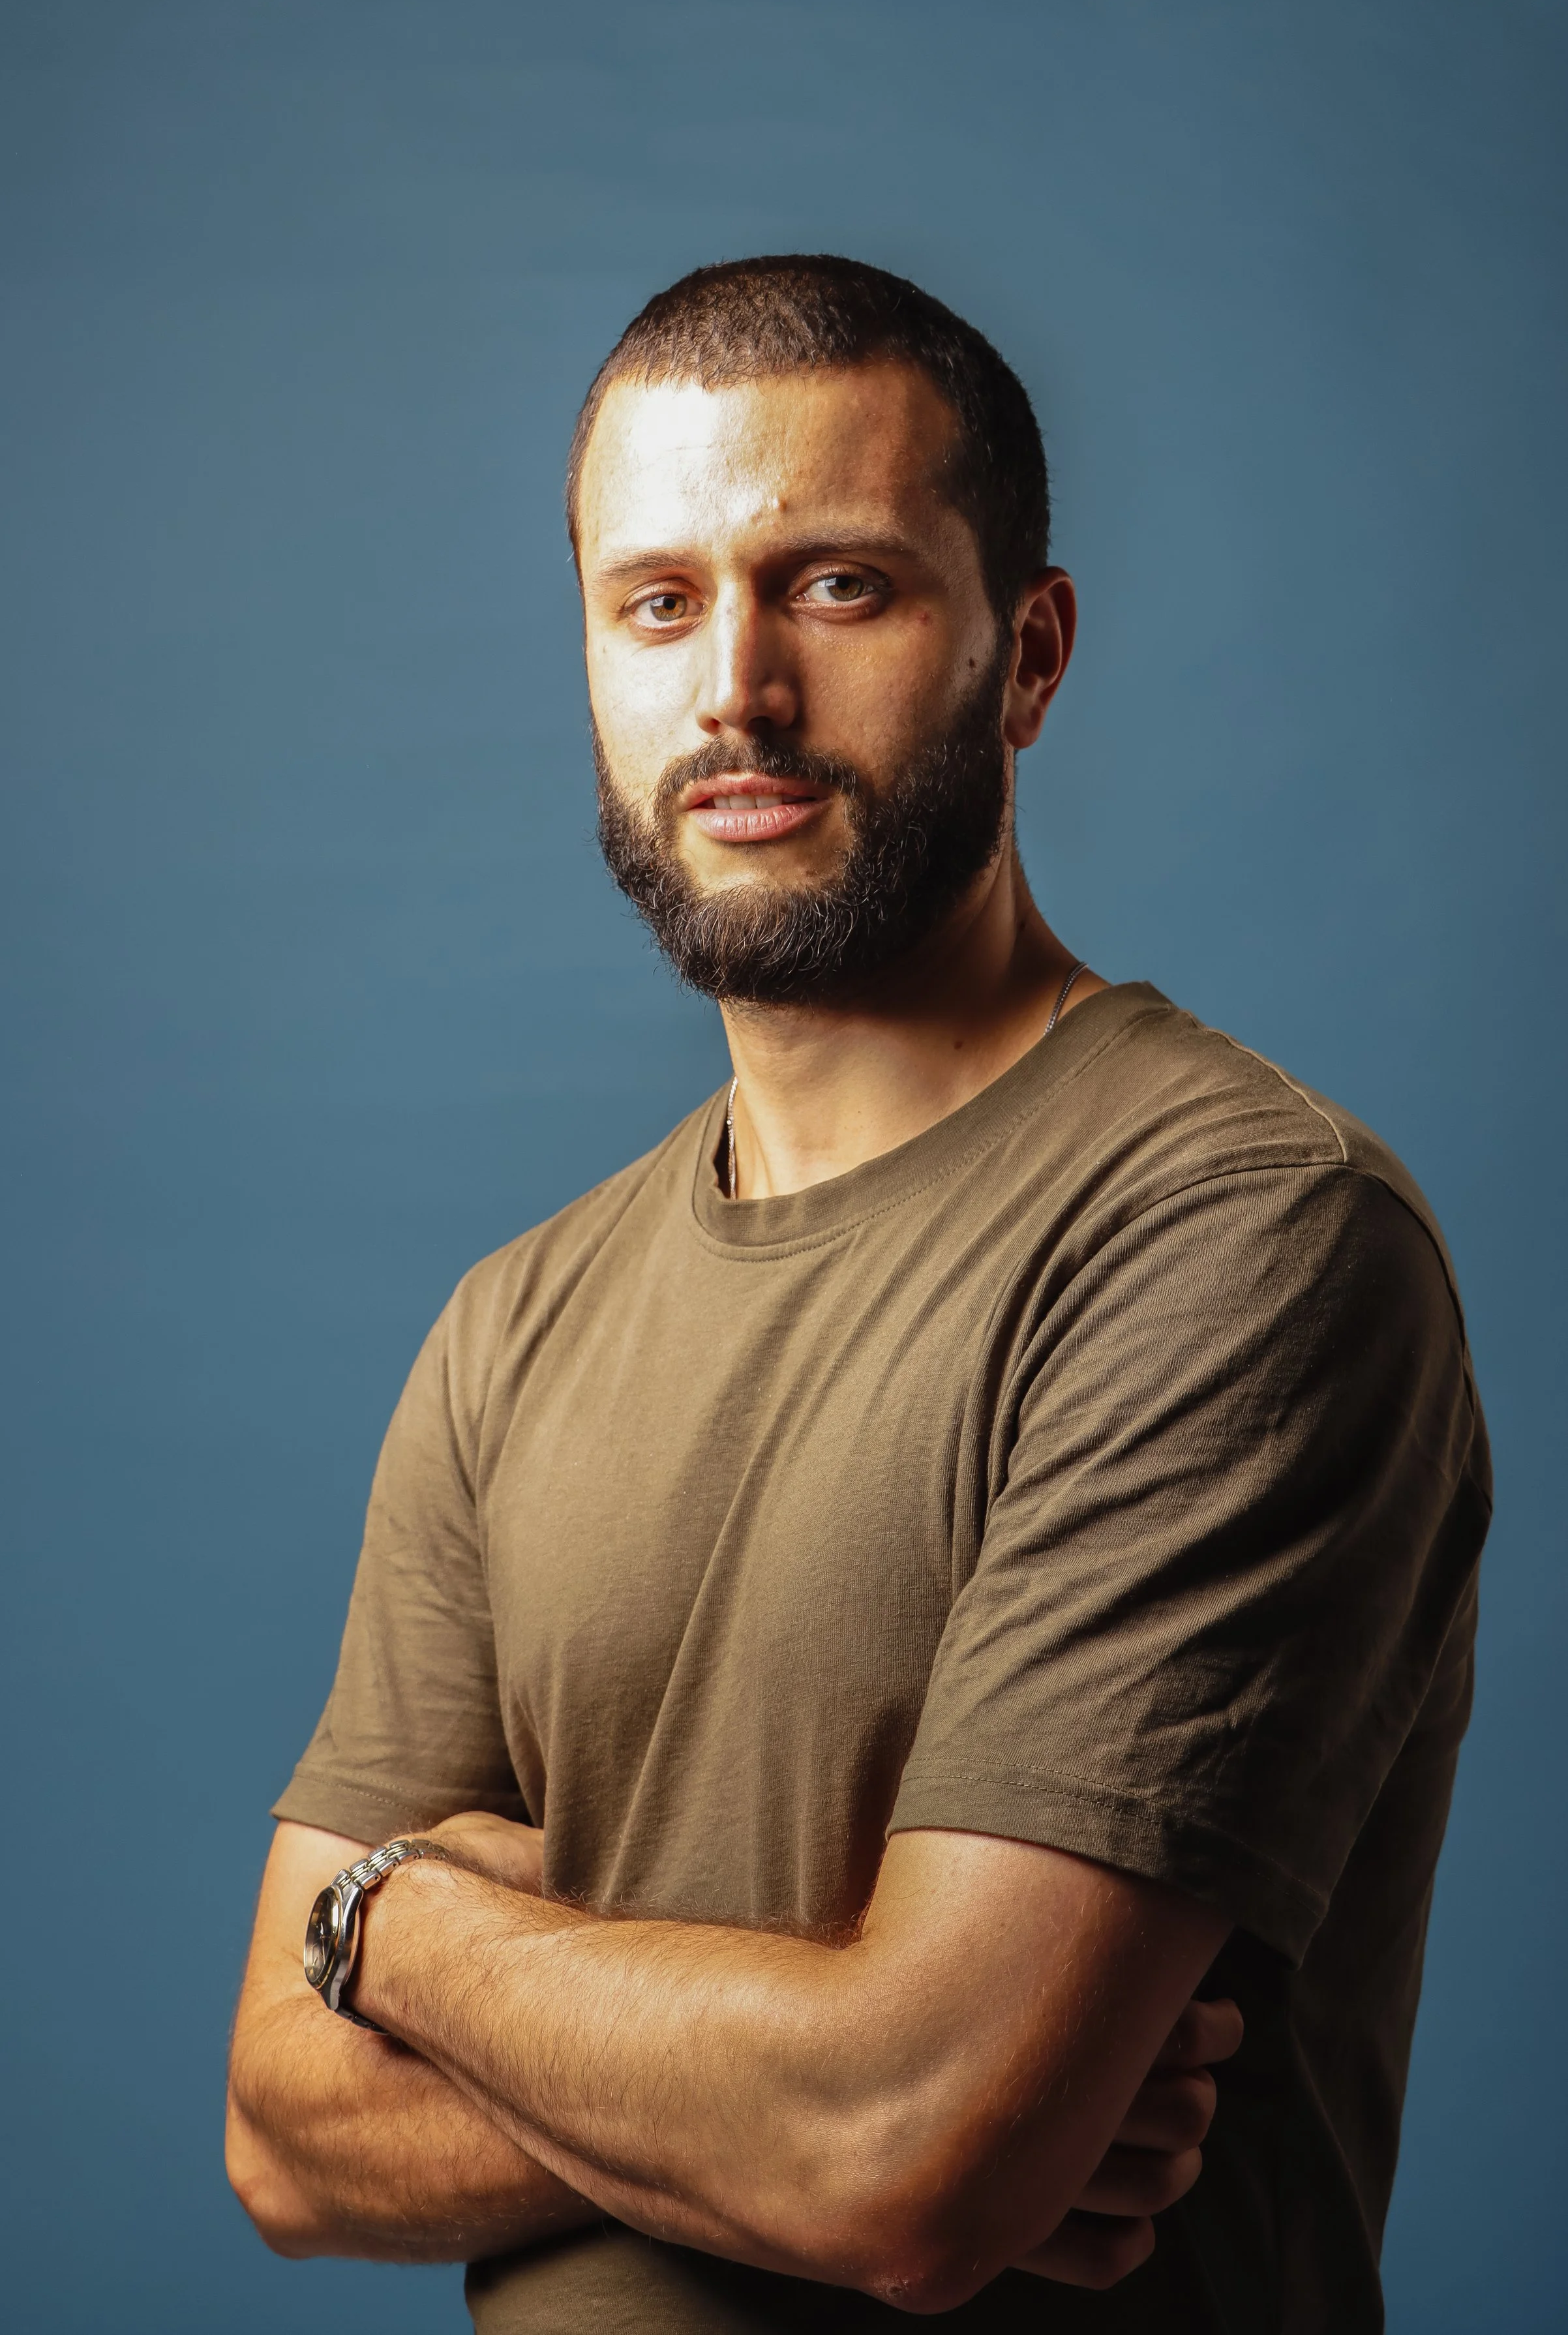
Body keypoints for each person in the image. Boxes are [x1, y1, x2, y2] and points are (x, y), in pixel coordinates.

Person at [225, 256, 1489, 2333]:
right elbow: (279, 2130)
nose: (732, 686)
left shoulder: (1237, 1230)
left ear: (1028, 652)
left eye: (837, 587)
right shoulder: (510, 1324)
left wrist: (401, 1935)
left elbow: (906, 2159)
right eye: (655, 602)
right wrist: (825, 2071)